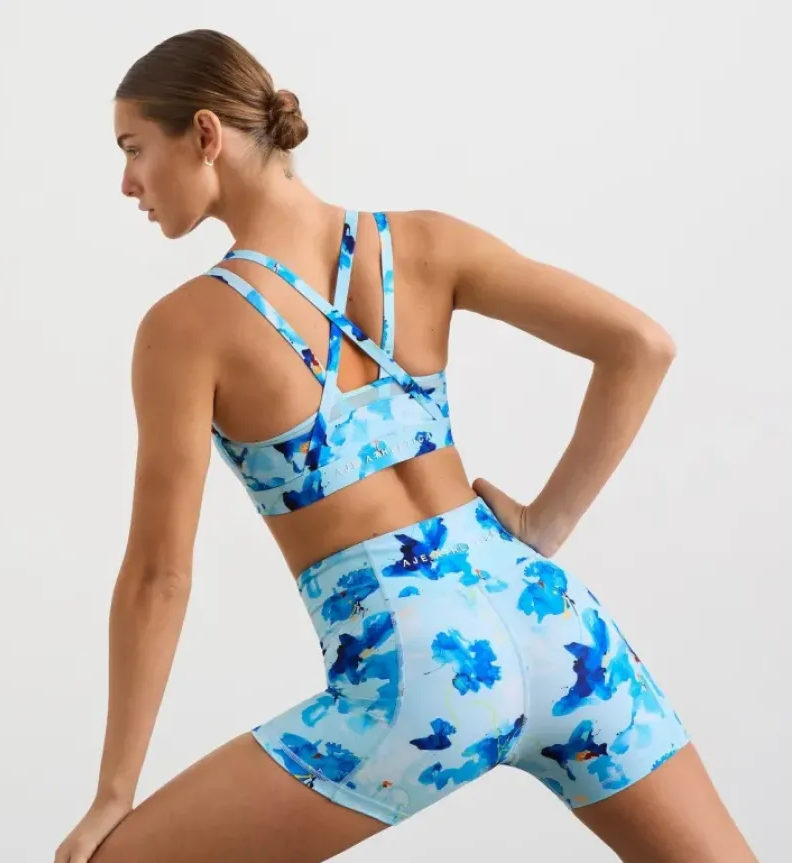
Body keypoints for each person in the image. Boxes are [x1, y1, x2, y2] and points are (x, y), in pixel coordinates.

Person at [54, 29, 758, 863]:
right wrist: (544, 524)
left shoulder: (186, 328)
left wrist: (113, 794)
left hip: (419, 674)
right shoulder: (424, 243)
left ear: (204, 134)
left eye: (133, 148)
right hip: (562, 630)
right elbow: (640, 344)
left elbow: (158, 577)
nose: (127, 181)